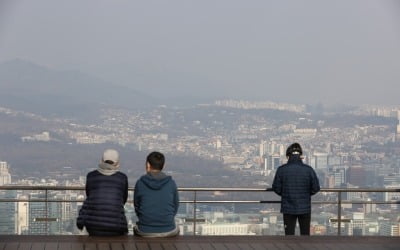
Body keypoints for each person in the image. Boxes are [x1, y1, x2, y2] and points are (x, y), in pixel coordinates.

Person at [77, 149, 128, 236]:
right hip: (116, 226)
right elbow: (123, 199)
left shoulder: (91, 176)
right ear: (117, 164)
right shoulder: (122, 178)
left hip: (93, 226)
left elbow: (89, 195)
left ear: (101, 161)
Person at [272, 143, 320, 236]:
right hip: (304, 207)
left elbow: (276, 187)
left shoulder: (282, 170)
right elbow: (316, 187)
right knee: (305, 234)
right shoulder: (308, 170)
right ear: (300, 155)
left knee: (289, 235)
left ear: (288, 155)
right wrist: (307, 194)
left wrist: (285, 194)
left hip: (288, 207)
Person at [134, 151, 179, 237]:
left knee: (135, 229)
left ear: (148, 165)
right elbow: (175, 205)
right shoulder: (171, 183)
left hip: (145, 230)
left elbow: (137, 206)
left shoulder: (140, 183)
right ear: (163, 165)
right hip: (168, 229)